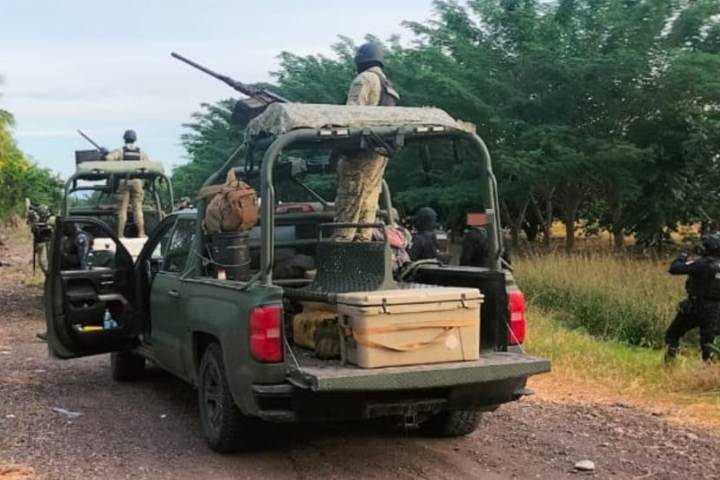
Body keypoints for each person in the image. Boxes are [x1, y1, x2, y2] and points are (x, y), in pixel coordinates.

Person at [333, 42, 400, 242]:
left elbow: (351, 116)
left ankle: (342, 246)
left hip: (359, 153)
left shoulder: (364, 79)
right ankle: (363, 243)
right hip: (379, 153)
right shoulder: (388, 85)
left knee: (350, 198)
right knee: (369, 198)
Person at [664, 233, 720, 363]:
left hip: (695, 307)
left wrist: (683, 254)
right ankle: (709, 371)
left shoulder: (702, 264)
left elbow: (675, 269)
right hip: (715, 310)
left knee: (673, 334)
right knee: (708, 344)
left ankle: (670, 364)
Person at [104, 130, 149, 237]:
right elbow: (147, 165)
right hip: (137, 182)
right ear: (135, 139)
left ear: (124, 139)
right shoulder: (141, 152)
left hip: (123, 181)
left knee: (122, 210)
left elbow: (108, 159)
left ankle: (120, 235)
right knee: (138, 209)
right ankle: (141, 233)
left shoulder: (120, 151)